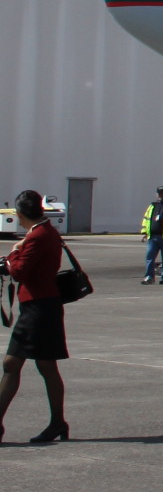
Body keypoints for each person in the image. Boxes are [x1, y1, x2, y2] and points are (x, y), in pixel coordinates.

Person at [1, 189, 69, 445]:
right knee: (46, 366)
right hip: (44, 306)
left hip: (38, 308)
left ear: (21, 214)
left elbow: (19, 271)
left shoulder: (37, 237)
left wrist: (12, 255)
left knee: (11, 364)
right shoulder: (45, 232)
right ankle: (58, 423)